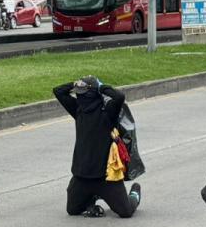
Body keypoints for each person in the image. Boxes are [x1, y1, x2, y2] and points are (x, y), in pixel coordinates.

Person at [53, 75, 141, 218]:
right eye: (78, 93)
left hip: (106, 177)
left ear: (93, 93)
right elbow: (58, 91)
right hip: (82, 176)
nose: (79, 97)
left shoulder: (107, 112)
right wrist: (76, 83)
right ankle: (92, 197)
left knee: (126, 212)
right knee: (73, 210)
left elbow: (119, 97)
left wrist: (101, 87)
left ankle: (135, 193)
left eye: (82, 93)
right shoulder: (78, 110)